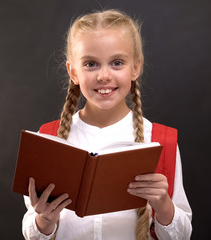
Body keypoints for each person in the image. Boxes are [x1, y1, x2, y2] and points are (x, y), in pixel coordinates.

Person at [21, 9, 192, 240]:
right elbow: (33, 233)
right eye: (91, 64)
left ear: (135, 68)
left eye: (117, 63)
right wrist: (44, 220)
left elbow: (181, 235)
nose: (103, 75)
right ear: (73, 72)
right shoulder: (47, 139)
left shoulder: (161, 141)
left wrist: (163, 205)